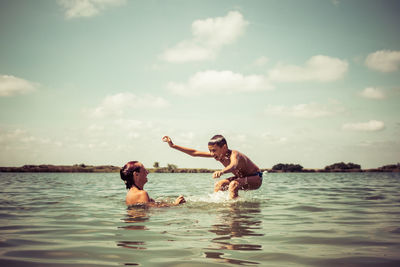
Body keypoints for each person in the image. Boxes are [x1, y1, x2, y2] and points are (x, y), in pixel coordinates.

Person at [162, 135, 262, 199]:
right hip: (242, 178)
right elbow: (195, 153)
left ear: (224, 147)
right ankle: (221, 205)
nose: (211, 153)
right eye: (210, 150)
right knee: (219, 185)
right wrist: (173, 145)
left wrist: (222, 172)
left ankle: (233, 212)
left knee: (233, 184)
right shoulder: (219, 154)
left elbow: (233, 165)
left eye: (214, 150)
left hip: (256, 178)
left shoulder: (234, 154)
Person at [120, 161, 186, 206]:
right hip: (139, 224)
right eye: (144, 170)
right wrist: (175, 204)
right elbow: (153, 211)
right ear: (136, 174)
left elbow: (152, 206)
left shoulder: (131, 193)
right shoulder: (142, 194)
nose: (147, 172)